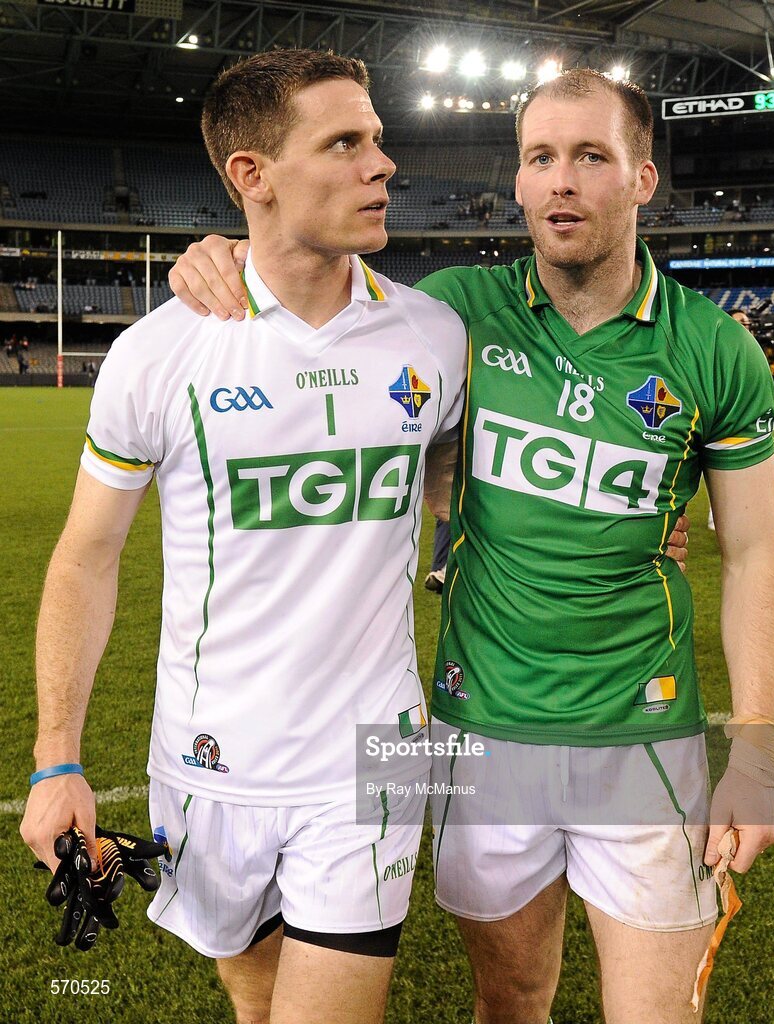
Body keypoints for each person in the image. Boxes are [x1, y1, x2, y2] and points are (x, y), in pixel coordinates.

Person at [169, 69, 774, 1024]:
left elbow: (753, 555)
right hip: (479, 731)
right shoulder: (453, 315)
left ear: (643, 179)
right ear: (518, 179)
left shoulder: (714, 350)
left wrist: (754, 759)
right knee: (509, 999)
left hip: (645, 736)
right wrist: (217, 256)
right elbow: (318, 320)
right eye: (540, 158)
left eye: (591, 156)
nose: (561, 182)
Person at [20, 49, 472, 1024]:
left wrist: (454, 517)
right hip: (209, 756)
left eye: (379, 140)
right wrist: (58, 755)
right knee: (252, 993)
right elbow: (87, 556)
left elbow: (446, 464)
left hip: (372, 748)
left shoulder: (434, 335)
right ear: (250, 176)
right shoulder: (159, 352)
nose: (381, 164)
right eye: (343, 142)